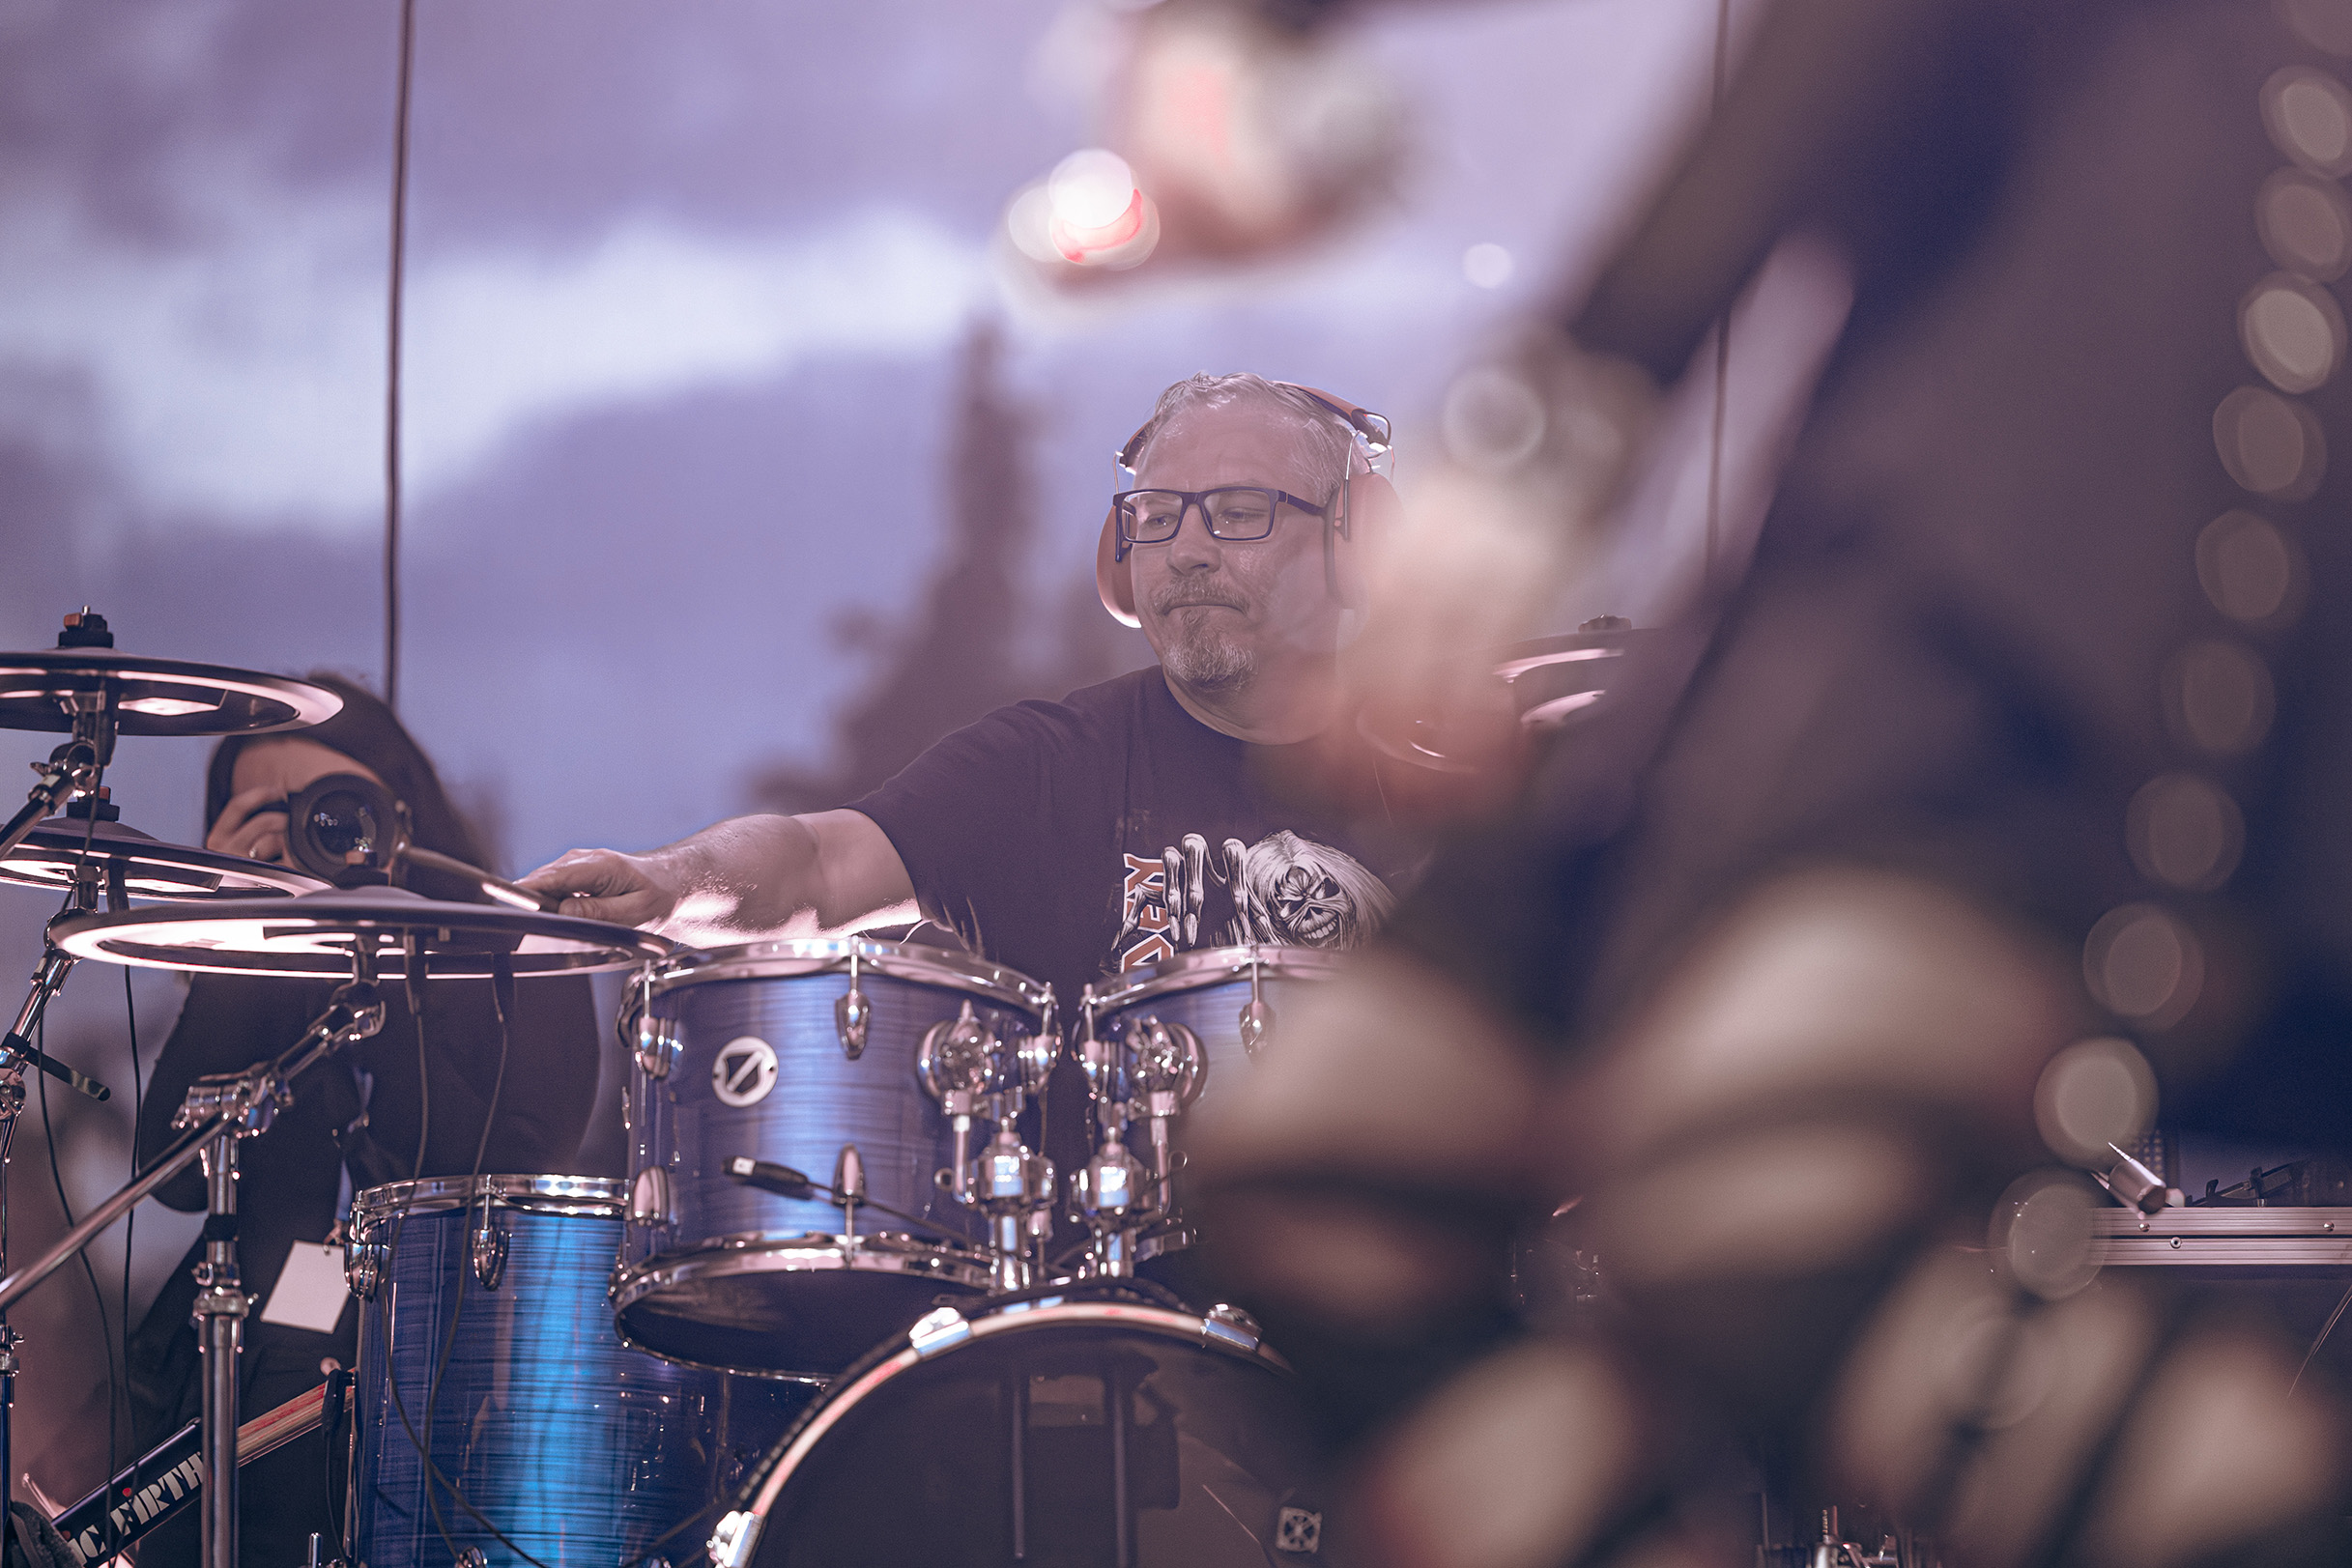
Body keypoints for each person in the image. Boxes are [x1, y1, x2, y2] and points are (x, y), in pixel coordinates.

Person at [521, 372, 1418, 1024]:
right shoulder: (1047, 769)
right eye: (1155, 517)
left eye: (1239, 511)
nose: (1185, 550)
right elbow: (817, 865)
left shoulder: (1458, 787)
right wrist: (670, 882)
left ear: (1355, 543)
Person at [125, 674, 601, 1568]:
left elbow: (522, 1165)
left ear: (402, 808)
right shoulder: (260, 970)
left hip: (456, 1380)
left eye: (334, 808)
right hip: (249, 1395)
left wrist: (378, 943)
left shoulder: (516, 948)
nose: (313, 835)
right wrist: (236, 925)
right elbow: (176, 1173)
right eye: (272, 812)